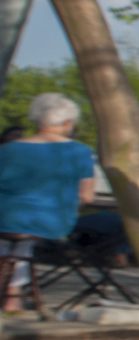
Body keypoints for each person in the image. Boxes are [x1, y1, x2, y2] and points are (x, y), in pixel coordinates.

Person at [0, 94, 97, 314]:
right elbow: (87, 197)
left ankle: (10, 295)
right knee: (22, 240)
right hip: (51, 219)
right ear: (67, 123)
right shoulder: (80, 151)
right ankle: (12, 298)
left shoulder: (8, 149)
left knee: (11, 239)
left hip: (5, 216)